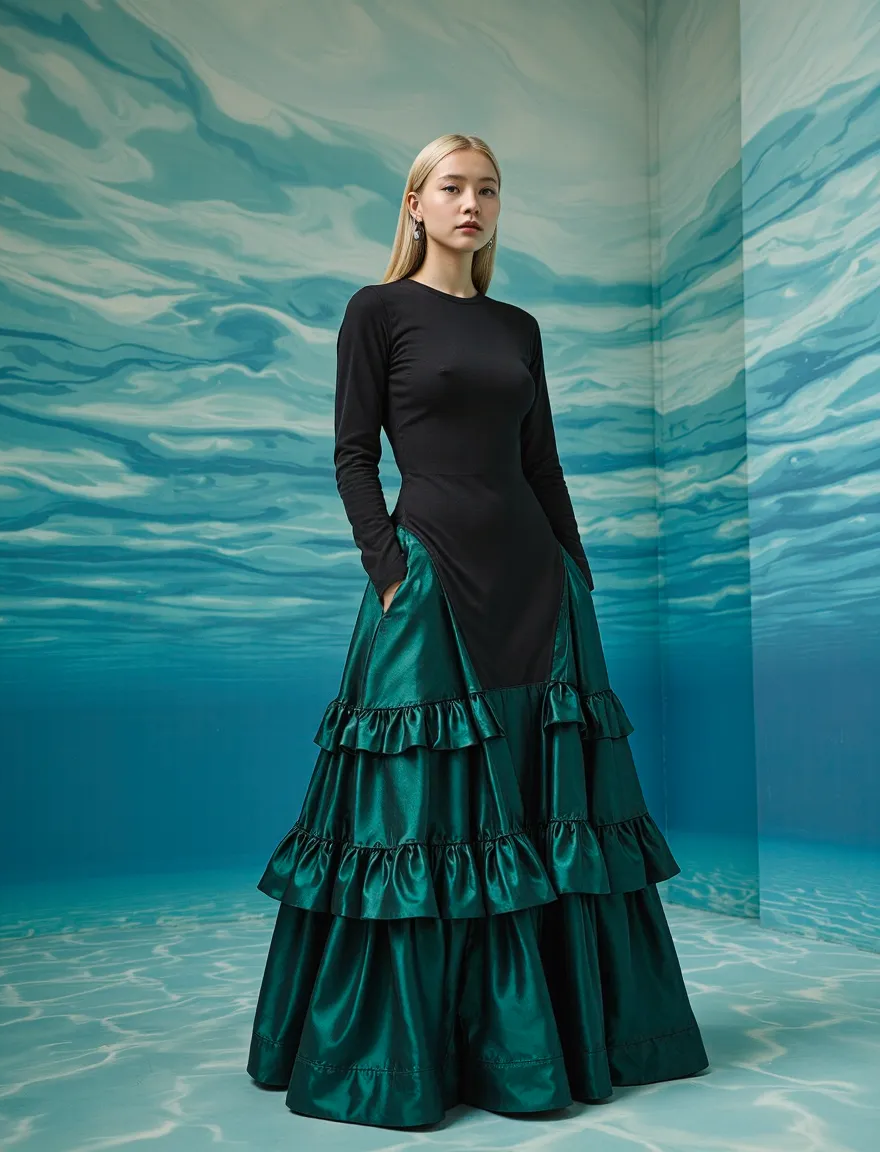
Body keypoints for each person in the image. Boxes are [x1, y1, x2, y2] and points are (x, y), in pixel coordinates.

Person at [246, 133, 709, 1128]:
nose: (472, 204)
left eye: (487, 189)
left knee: (549, 816)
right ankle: (408, 1061)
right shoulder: (376, 312)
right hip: (427, 585)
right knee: (420, 823)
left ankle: (556, 1044)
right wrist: (386, 569)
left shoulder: (518, 325)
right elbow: (349, 455)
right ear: (414, 203)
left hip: (536, 591)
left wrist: (575, 574)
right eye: (452, 187)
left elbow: (541, 465)